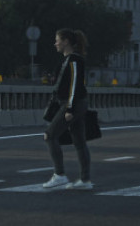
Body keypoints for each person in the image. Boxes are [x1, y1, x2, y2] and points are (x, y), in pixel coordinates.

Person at [41, 28, 93, 190]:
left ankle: (60, 175)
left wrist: (69, 108)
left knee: (50, 135)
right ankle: (85, 181)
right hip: (74, 103)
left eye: (57, 40)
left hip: (73, 103)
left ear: (66, 42)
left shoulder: (74, 60)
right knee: (79, 141)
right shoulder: (67, 60)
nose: (55, 43)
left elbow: (75, 85)